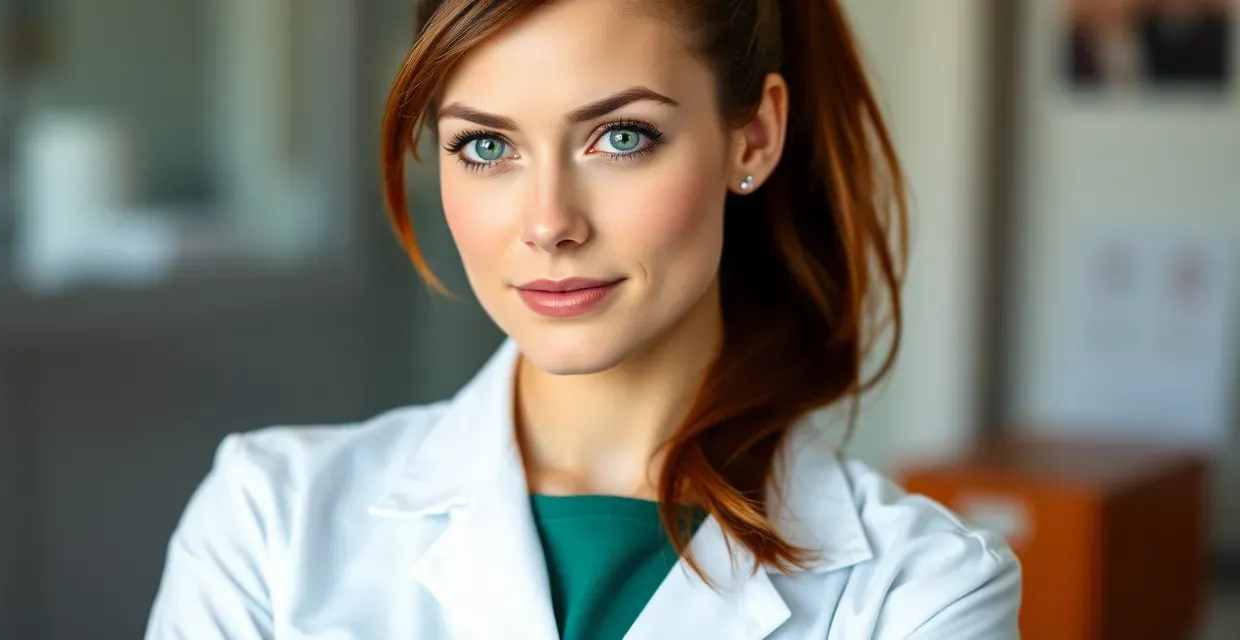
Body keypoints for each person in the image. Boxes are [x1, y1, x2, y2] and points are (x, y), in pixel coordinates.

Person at [145, 0, 1023, 638]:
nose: (548, 222)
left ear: (752, 138)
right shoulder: (268, 524)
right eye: (486, 146)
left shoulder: (924, 595)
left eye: (621, 137)